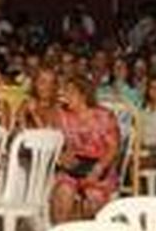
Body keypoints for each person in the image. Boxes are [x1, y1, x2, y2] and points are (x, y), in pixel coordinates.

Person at [49, 75, 121, 223]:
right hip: (75, 165)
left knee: (93, 198)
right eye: (65, 91)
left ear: (83, 95)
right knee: (63, 191)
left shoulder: (103, 116)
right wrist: (63, 157)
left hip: (99, 165)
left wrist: (98, 168)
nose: (65, 95)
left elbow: (113, 148)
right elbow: (58, 142)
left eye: (70, 92)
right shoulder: (62, 115)